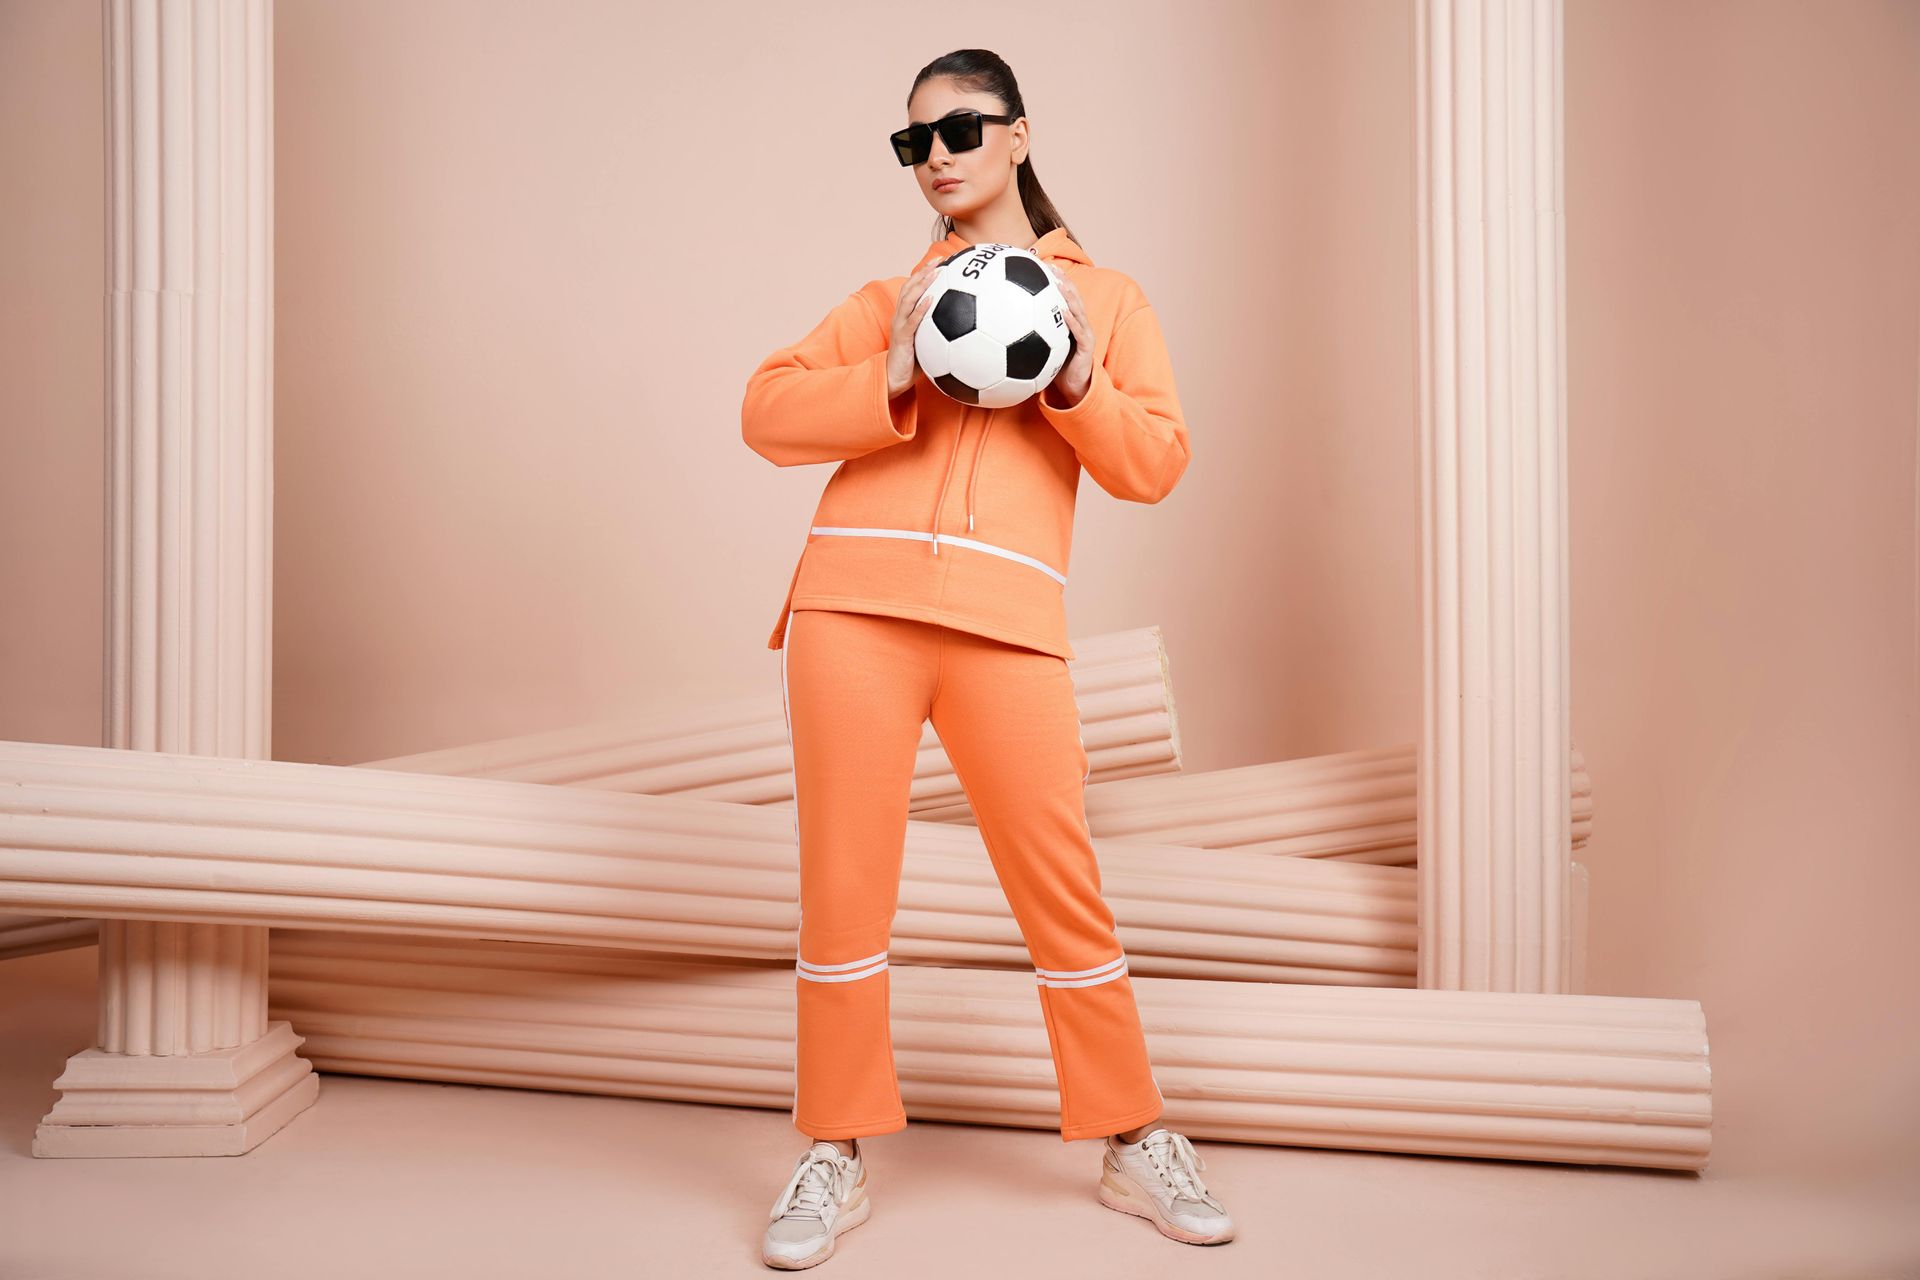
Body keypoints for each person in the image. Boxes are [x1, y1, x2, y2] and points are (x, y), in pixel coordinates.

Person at [740, 48, 1234, 1270]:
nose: (937, 156)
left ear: (1018, 135)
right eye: (914, 142)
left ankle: (1132, 1134)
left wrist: (1073, 378)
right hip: (852, 611)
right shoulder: (886, 301)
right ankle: (833, 1147)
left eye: (959, 129)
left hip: (1009, 624)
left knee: (1062, 886)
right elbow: (764, 409)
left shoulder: (1106, 301)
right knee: (843, 889)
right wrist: (891, 369)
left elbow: (1155, 462)